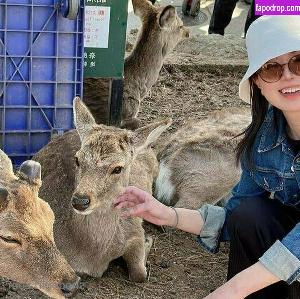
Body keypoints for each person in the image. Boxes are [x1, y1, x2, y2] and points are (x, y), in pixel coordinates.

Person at [114, 16, 300, 299]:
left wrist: (233, 289)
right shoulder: (264, 136)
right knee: (251, 215)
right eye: (271, 68)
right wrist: (167, 214)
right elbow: (233, 216)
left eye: (298, 62)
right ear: (257, 82)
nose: (287, 76)